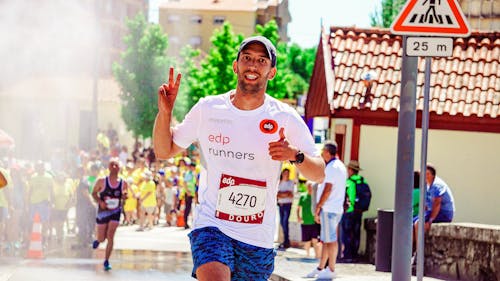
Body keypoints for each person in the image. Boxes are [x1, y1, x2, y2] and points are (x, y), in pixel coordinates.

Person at [153, 35, 325, 281]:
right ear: (236, 66)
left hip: (257, 238)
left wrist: (294, 156)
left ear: (272, 72)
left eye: (261, 60)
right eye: (247, 58)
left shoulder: (285, 117)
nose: (253, 65)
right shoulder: (208, 109)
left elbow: (319, 172)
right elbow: (164, 150)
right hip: (212, 225)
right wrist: (165, 113)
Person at [307, 142, 346, 279]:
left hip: (329, 208)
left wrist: (318, 207)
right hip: (335, 208)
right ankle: (321, 267)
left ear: (328, 152)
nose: (322, 154)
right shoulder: (340, 166)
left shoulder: (331, 168)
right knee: (326, 239)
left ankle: (331, 269)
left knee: (331, 240)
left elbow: (327, 189)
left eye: (323, 151)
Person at [412, 164, 455, 261]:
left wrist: (430, 220)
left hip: (444, 213)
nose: (425, 176)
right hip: (434, 211)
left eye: (427, 174)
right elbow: (428, 204)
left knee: (418, 224)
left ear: (432, 175)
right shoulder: (428, 185)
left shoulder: (436, 185)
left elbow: (437, 204)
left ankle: (418, 255)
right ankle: (410, 252)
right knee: (410, 223)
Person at [91, 158, 128, 271]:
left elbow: (124, 198)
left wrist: (124, 199)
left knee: (111, 235)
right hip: (103, 212)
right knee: (102, 238)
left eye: (116, 165)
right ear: (108, 167)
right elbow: (93, 193)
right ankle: (98, 240)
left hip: (115, 212)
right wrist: (100, 202)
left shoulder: (123, 183)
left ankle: (106, 261)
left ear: (120, 168)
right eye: (112, 165)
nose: (114, 167)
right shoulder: (101, 181)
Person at [340, 160, 369, 262]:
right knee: (356, 234)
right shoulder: (363, 181)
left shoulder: (349, 182)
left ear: (351, 170)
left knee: (347, 234)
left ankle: (347, 255)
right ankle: (354, 255)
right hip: (359, 211)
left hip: (349, 212)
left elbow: (346, 197)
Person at [297, 180, 321, 258]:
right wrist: (298, 217)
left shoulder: (316, 197)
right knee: (306, 241)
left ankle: (317, 256)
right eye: (308, 186)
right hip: (305, 222)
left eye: (311, 186)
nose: (310, 188)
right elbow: (298, 208)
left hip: (314, 222)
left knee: (315, 240)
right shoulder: (303, 196)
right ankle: (307, 255)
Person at [277, 168, 294, 249]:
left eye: (288, 173)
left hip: (287, 205)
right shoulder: (279, 182)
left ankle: (286, 241)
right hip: (280, 205)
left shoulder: (291, 183)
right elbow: (277, 194)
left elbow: (290, 194)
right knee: (282, 223)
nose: (286, 174)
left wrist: (281, 194)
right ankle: (285, 241)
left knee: (285, 223)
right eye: (285, 173)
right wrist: (285, 194)